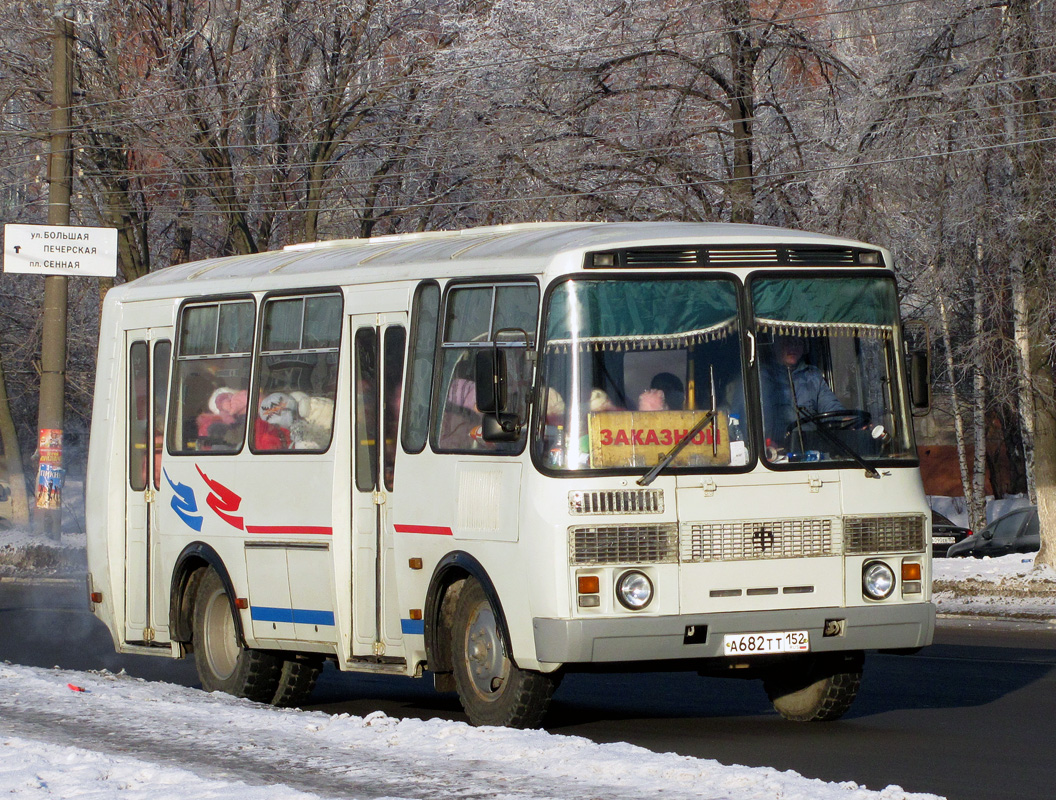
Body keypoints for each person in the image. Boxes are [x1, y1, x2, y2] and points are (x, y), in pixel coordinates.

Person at [761, 335, 843, 445]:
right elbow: (752, 423)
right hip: (775, 453)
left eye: (798, 342)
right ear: (774, 344)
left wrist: (846, 419)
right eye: (788, 342)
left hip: (812, 449)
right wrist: (766, 445)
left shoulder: (813, 376)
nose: (793, 347)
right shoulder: (761, 377)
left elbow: (831, 407)